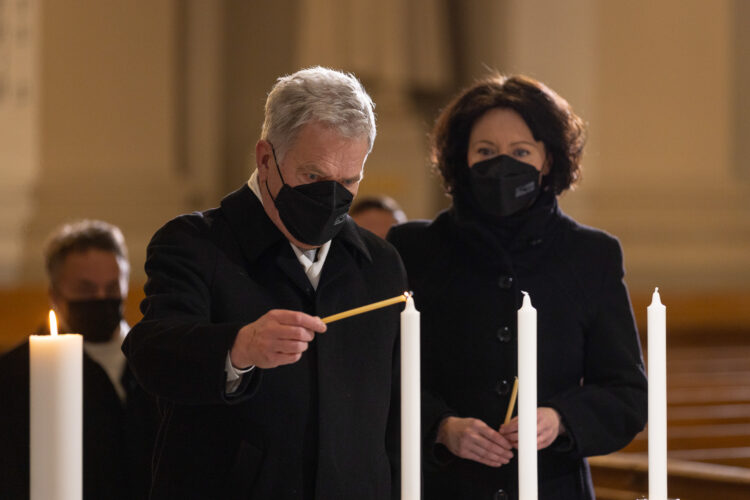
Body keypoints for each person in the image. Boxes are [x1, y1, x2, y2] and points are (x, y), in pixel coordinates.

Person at [122, 67, 408, 499]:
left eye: (349, 181)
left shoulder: (379, 263)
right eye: (313, 176)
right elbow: (151, 354)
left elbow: (393, 408)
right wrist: (239, 347)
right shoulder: (194, 244)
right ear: (265, 158)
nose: (332, 197)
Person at [387, 74, 648, 500]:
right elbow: (381, 377)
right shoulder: (415, 249)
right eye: (485, 152)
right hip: (446, 487)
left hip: (552, 487)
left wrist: (560, 419)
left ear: (548, 160)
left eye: (521, 151)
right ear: (462, 159)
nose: (502, 165)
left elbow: (627, 395)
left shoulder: (591, 255)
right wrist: (440, 427)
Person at [0, 219, 157, 500]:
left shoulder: (157, 359)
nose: (100, 298)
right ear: (54, 295)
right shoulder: (13, 374)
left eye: (111, 289)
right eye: (86, 289)